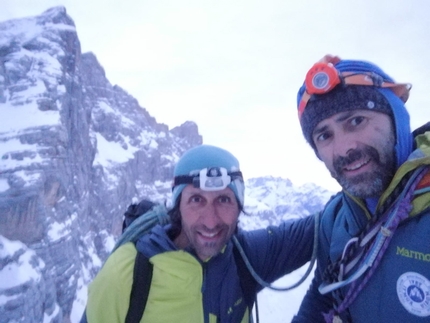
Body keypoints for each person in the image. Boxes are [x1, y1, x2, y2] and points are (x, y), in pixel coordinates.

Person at [82, 144, 315, 323]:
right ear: (177, 205)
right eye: (196, 199)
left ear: (239, 205)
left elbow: (321, 226)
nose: (211, 221)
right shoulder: (126, 274)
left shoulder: (245, 257)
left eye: (223, 199)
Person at [292, 55, 430, 323]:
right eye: (324, 135)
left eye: (356, 121)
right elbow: (324, 293)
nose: (345, 149)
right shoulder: (337, 218)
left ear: (395, 118)